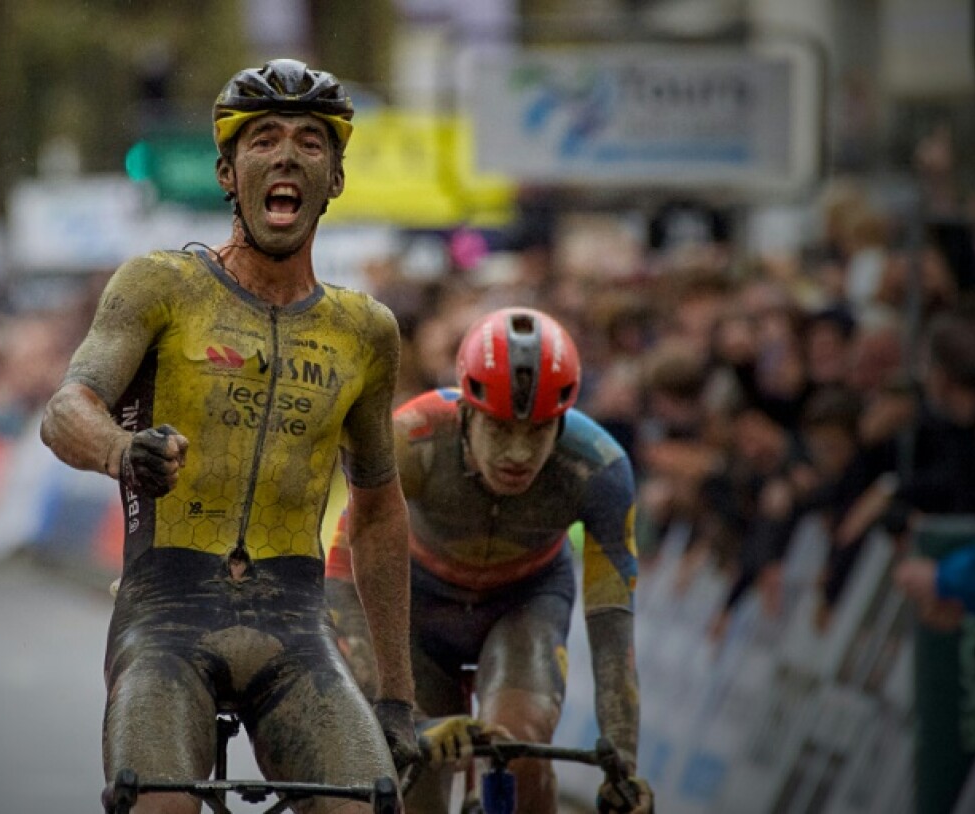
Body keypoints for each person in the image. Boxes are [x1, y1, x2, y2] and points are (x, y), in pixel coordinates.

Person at [40, 58, 418, 814]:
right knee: (158, 803)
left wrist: (399, 696)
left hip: (293, 622)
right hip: (167, 613)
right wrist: (123, 452)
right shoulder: (159, 285)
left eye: (311, 143)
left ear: (335, 180)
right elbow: (64, 411)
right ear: (226, 172)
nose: (286, 155)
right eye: (264, 139)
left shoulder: (366, 332)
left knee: (366, 804)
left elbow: (378, 512)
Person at [326, 307, 653, 814]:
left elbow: (612, 622)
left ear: (563, 422)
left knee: (517, 745)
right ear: (467, 413)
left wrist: (622, 764)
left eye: (539, 431)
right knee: (420, 766)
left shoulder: (600, 468)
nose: (518, 453)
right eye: (501, 429)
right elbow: (345, 573)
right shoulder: (410, 439)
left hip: (525, 603)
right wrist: (401, 714)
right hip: (415, 606)